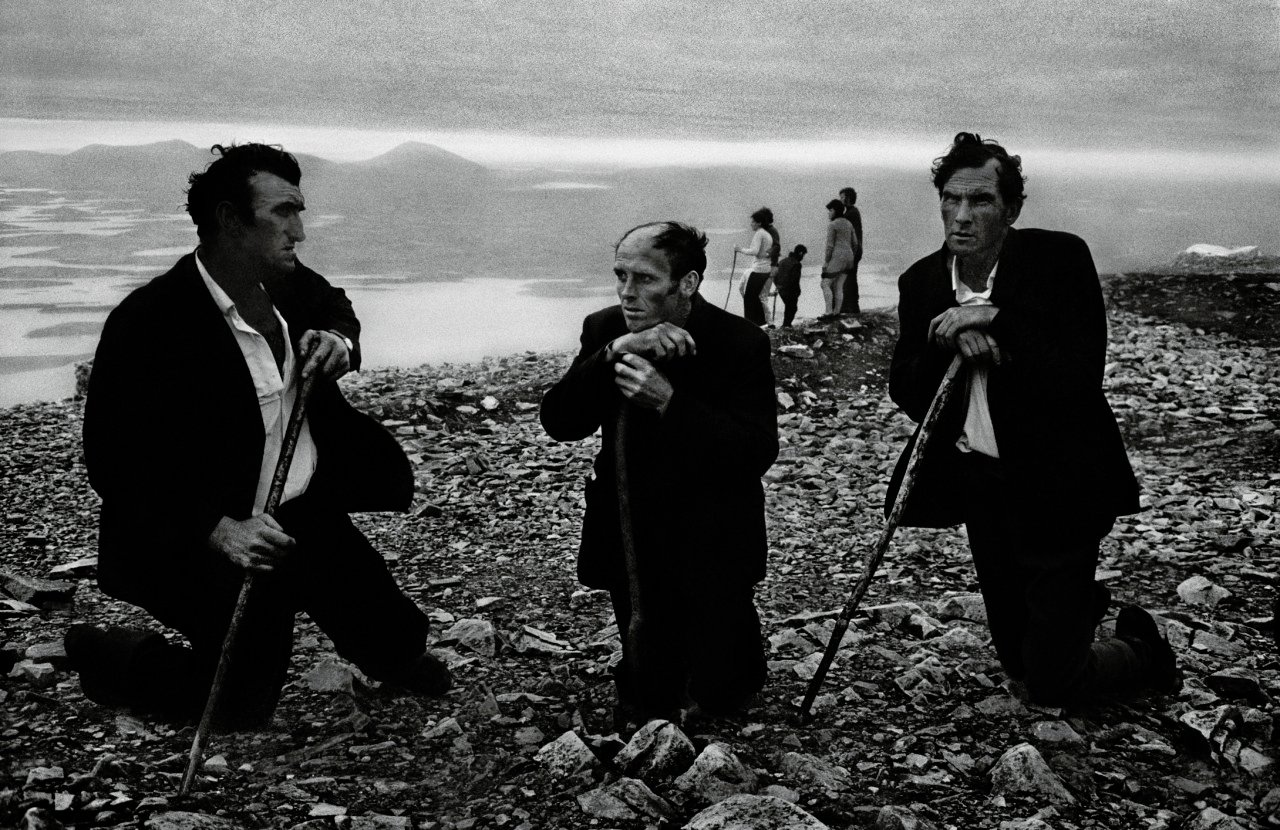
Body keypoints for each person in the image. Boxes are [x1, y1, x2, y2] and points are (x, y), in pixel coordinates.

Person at [70, 143, 451, 730]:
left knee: (395, 636)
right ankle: (106, 653)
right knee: (238, 704)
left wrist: (339, 342)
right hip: (201, 535)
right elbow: (115, 461)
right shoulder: (149, 322)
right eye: (282, 213)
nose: (299, 231)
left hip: (301, 510)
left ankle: (389, 655)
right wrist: (218, 529)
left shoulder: (287, 283)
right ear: (229, 220)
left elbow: (336, 307)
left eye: (299, 211)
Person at [886, 132, 1178, 707]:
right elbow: (907, 388)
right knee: (1018, 662)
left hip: (1060, 486)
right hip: (983, 486)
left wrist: (998, 321)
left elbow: (1078, 374)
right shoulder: (920, 282)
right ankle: (1073, 608)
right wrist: (952, 342)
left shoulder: (1059, 259)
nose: (962, 216)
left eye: (982, 202)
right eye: (951, 199)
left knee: (1052, 683)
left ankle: (1144, 651)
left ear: (1012, 209)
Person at [541, 221, 778, 719]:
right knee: (650, 683)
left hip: (711, 534)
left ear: (687, 283)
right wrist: (614, 355)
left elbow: (756, 450)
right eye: (620, 275)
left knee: (726, 690)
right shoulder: (606, 329)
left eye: (645, 279)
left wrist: (670, 403)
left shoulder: (738, 343)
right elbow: (561, 422)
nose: (628, 292)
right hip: (632, 528)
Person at [736, 207, 775, 326]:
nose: (751, 224)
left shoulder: (759, 234)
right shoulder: (767, 235)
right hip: (766, 269)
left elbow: (754, 251)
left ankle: (751, 324)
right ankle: (762, 323)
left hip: (759, 269)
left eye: (753, 222)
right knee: (757, 297)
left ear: (759, 223)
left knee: (749, 298)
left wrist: (740, 249)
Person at [820, 199, 856, 318]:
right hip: (849, 258)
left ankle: (828, 312)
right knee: (839, 285)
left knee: (825, 283)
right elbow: (855, 243)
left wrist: (826, 262)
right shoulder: (849, 223)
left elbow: (830, 246)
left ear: (835, 211)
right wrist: (851, 254)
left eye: (830, 210)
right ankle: (836, 312)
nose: (828, 213)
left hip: (837, 257)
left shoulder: (833, 224)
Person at [838, 187, 863, 314]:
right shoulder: (853, 212)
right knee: (850, 278)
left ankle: (849, 306)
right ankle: (852, 306)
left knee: (848, 279)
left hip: (852, 252)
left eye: (842, 197)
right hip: (854, 251)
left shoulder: (850, 213)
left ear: (848, 198)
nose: (840, 199)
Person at [774, 244, 807, 328]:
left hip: (781, 289)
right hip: (790, 290)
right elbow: (794, 280)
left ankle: (786, 324)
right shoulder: (796, 264)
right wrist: (798, 291)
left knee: (788, 307)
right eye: (803, 255)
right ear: (800, 253)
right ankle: (786, 325)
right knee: (792, 308)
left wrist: (778, 285)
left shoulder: (782, 261)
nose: (803, 257)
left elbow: (774, 275)